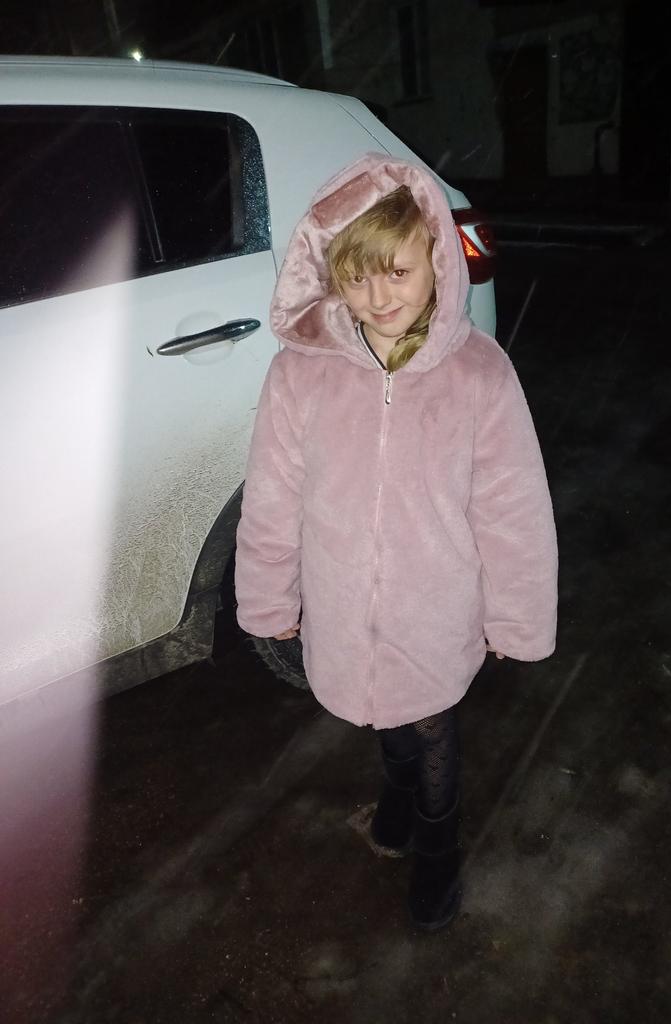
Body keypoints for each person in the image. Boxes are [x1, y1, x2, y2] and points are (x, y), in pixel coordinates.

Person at [235, 153, 558, 930]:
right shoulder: (299, 375)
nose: (379, 298)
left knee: (431, 719)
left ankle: (438, 846)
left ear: (438, 264)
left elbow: (512, 506)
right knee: (382, 714)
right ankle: (397, 792)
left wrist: (514, 615)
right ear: (332, 277)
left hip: (436, 602)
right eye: (358, 278)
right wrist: (271, 597)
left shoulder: (479, 373)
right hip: (343, 601)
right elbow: (273, 497)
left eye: (399, 273)